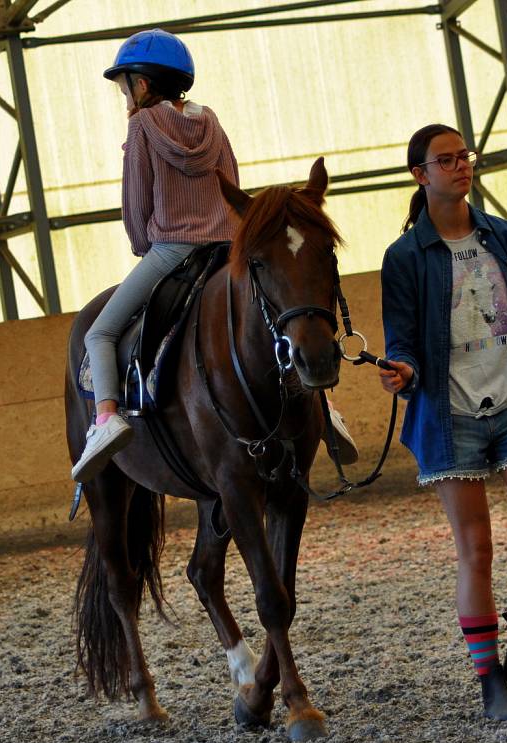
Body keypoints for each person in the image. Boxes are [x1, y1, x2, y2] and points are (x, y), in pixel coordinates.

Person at [72, 29, 357, 483]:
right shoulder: (212, 122)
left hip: (171, 250)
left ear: (142, 85)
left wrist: (144, 245)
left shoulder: (142, 125)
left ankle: (106, 421)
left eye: (125, 84)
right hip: (228, 247)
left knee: (100, 333)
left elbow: (136, 202)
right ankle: (325, 412)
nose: (124, 94)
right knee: (278, 323)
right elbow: (233, 183)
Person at [378, 124, 507, 721]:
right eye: (446, 159)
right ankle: (491, 683)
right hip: (450, 414)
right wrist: (403, 372)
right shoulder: (404, 257)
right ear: (421, 174)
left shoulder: (504, 237)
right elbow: (403, 341)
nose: (461, 166)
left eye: (465, 156)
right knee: (477, 550)